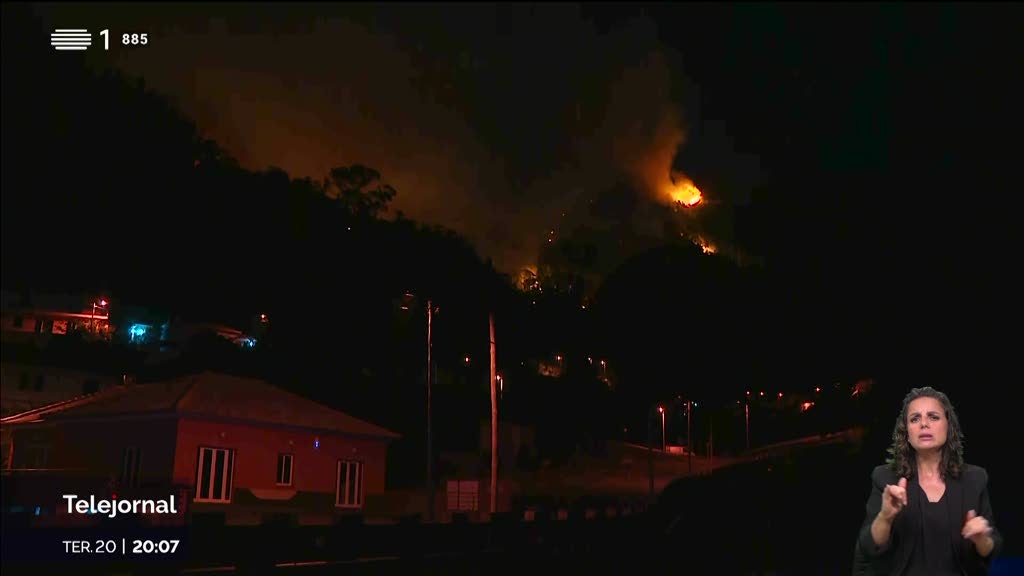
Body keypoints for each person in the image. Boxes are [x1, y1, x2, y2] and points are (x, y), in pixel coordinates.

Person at [857, 387, 1002, 575]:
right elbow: (869, 547)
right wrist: (885, 517)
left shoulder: (975, 479)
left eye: (933, 417)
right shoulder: (885, 478)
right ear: (906, 432)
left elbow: (991, 548)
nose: (924, 424)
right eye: (915, 419)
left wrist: (981, 539)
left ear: (948, 426)